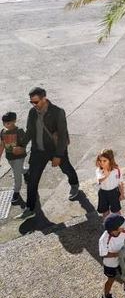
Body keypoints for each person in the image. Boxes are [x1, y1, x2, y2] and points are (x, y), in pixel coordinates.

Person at [17, 87, 80, 220]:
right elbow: (30, 131)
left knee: (66, 168)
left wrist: (57, 155)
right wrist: (22, 145)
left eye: (36, 102)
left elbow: (62, 136)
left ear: (44, 98)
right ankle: (30, 208)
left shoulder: (58, 112)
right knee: (32, 179)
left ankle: (74, 184)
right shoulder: (32, 112)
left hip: (55, 149)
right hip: (38, 151)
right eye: (31, 102)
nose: (34, 105)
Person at [98, 214, 125, 298]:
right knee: (111, 278)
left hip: (122, 258)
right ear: (114, 230)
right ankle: (105, 297)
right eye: (122, 226)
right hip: (110, 262)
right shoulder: (103, 239)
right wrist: (118, 254)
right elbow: (103, 254)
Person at [0, 111, 27, 206]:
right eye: (4, 123)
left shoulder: (19, 131)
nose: (6, 125)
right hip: (10, 158)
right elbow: (2, 145)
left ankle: (16, 192)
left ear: (14, 121)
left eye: (8, 122)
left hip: (19, 157)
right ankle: (27, 171)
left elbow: (25, 142)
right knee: (19, 170)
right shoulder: (3, 132)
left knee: (16, 176)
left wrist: (20, 148)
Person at [96, 149, 124, 218]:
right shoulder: (99, 170)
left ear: (110, 160)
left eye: (104, 161)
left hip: (114, 192)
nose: (102, 163)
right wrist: (106, 175)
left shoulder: (117, 170)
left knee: (116, 211)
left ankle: (119, 225)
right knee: (105, 212)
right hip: (103, 193)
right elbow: (99, 180)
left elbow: (120, 183)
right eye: (100, 161)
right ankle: (107, 226)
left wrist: (122, 194)